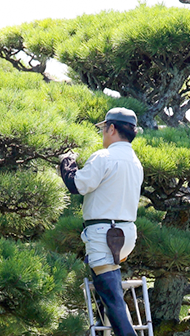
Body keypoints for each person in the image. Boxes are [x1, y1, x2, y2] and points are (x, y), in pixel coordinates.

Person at [60, 107, 144, 336]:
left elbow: (77, 185)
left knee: (112, 299)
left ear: (112, 128)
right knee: (110, 294)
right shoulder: (135, 161)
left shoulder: (104, 156)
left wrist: (67, 162)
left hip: (104, 235)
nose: (103, 134)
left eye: (103, 128)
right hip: (125, 234)